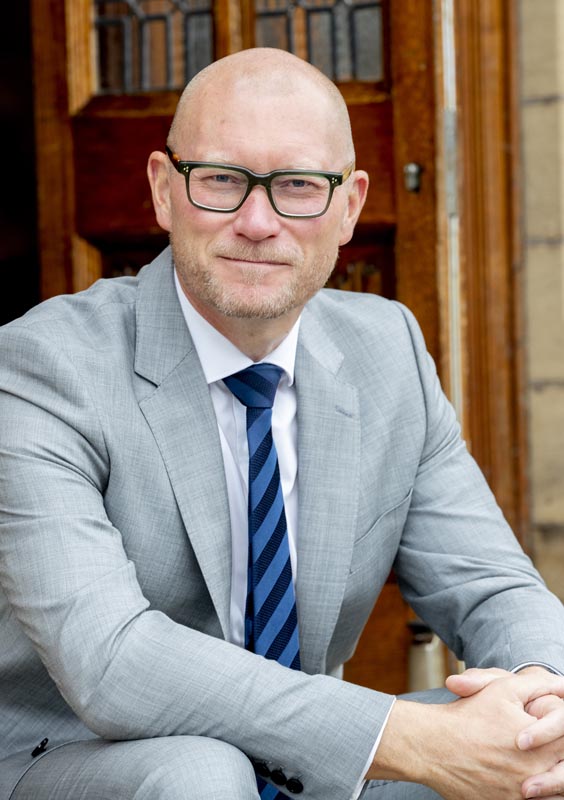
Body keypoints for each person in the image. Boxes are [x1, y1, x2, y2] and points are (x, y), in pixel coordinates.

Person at [1, 46, 564, 800]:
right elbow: (112, 662)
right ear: (164, 191)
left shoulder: (385, 351)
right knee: (202, 774)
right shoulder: (42, 369)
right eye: (222, 181)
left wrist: (539, 708)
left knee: (529, 754)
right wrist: (406, 739)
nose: (258, 222)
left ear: (351, 205)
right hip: (72, 758)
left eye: (298, 185)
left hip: (300, 758)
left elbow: (493, 589)